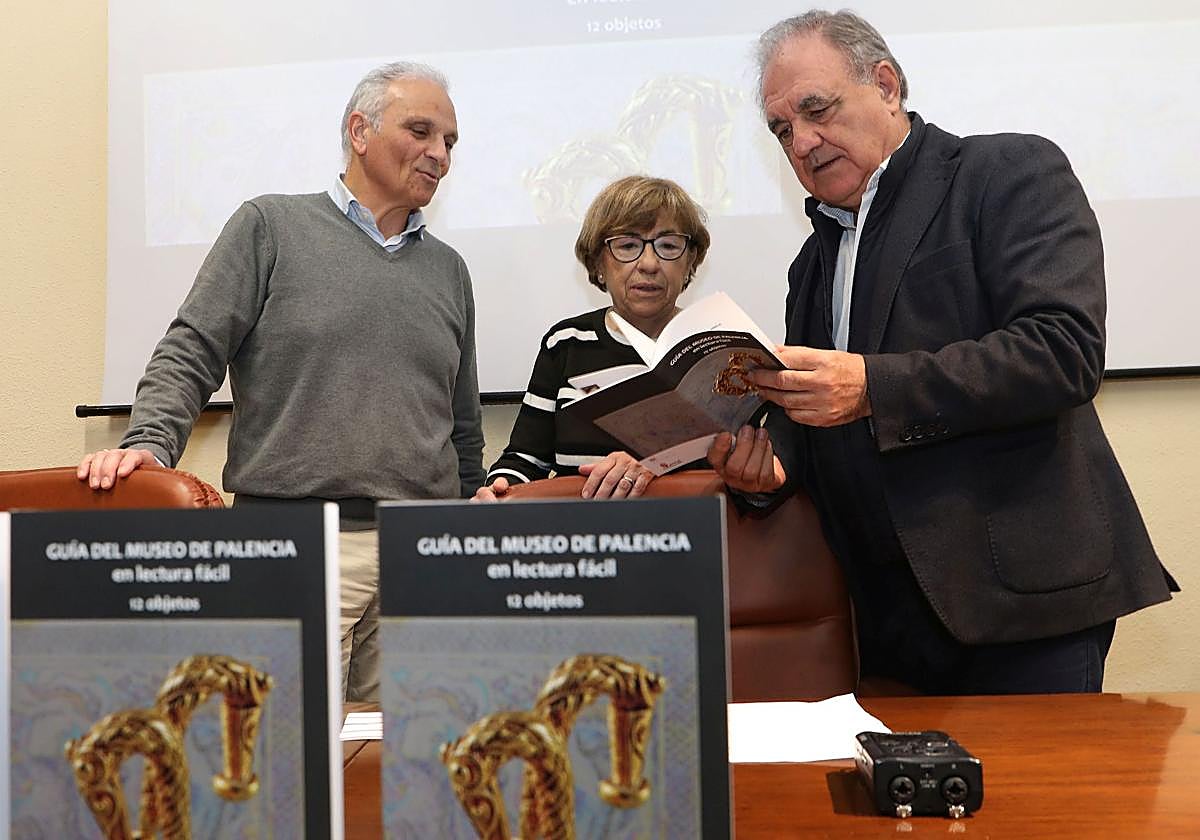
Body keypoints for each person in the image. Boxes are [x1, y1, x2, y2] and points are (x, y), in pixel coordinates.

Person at [709, 10, 1177, 694]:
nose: (803, 141)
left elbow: (1063, 349)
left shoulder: (1003, 171)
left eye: (817, 109)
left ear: (887, 85)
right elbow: (826, 418)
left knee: (1041, 806)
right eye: (783, 130)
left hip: (1020, 606)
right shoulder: (812, 261)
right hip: (886, 622)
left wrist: (872, 386)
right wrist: (771, 468)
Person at [77, 62, 485, 702]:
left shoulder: (449, 270)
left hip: (421, 558)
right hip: (295, 548)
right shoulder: (269, 226)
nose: (440, 154)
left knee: (408, 776)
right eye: (422, 131)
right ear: (359, 130)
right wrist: (150, 447)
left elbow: (461, 425)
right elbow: (193, 348)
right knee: (286, 766)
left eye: (450, 141)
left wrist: (462, 537)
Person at [476, 175, 710, 502]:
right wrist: (501, 487)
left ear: (690, 262)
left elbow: (740, 473)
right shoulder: (567, 343)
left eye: (668, 246)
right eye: (628, 246)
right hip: (581, 541)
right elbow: (525, 459)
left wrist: (654, 466)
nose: (649, 264)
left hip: (687, 538)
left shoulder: (717, 347)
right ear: (599, 262)